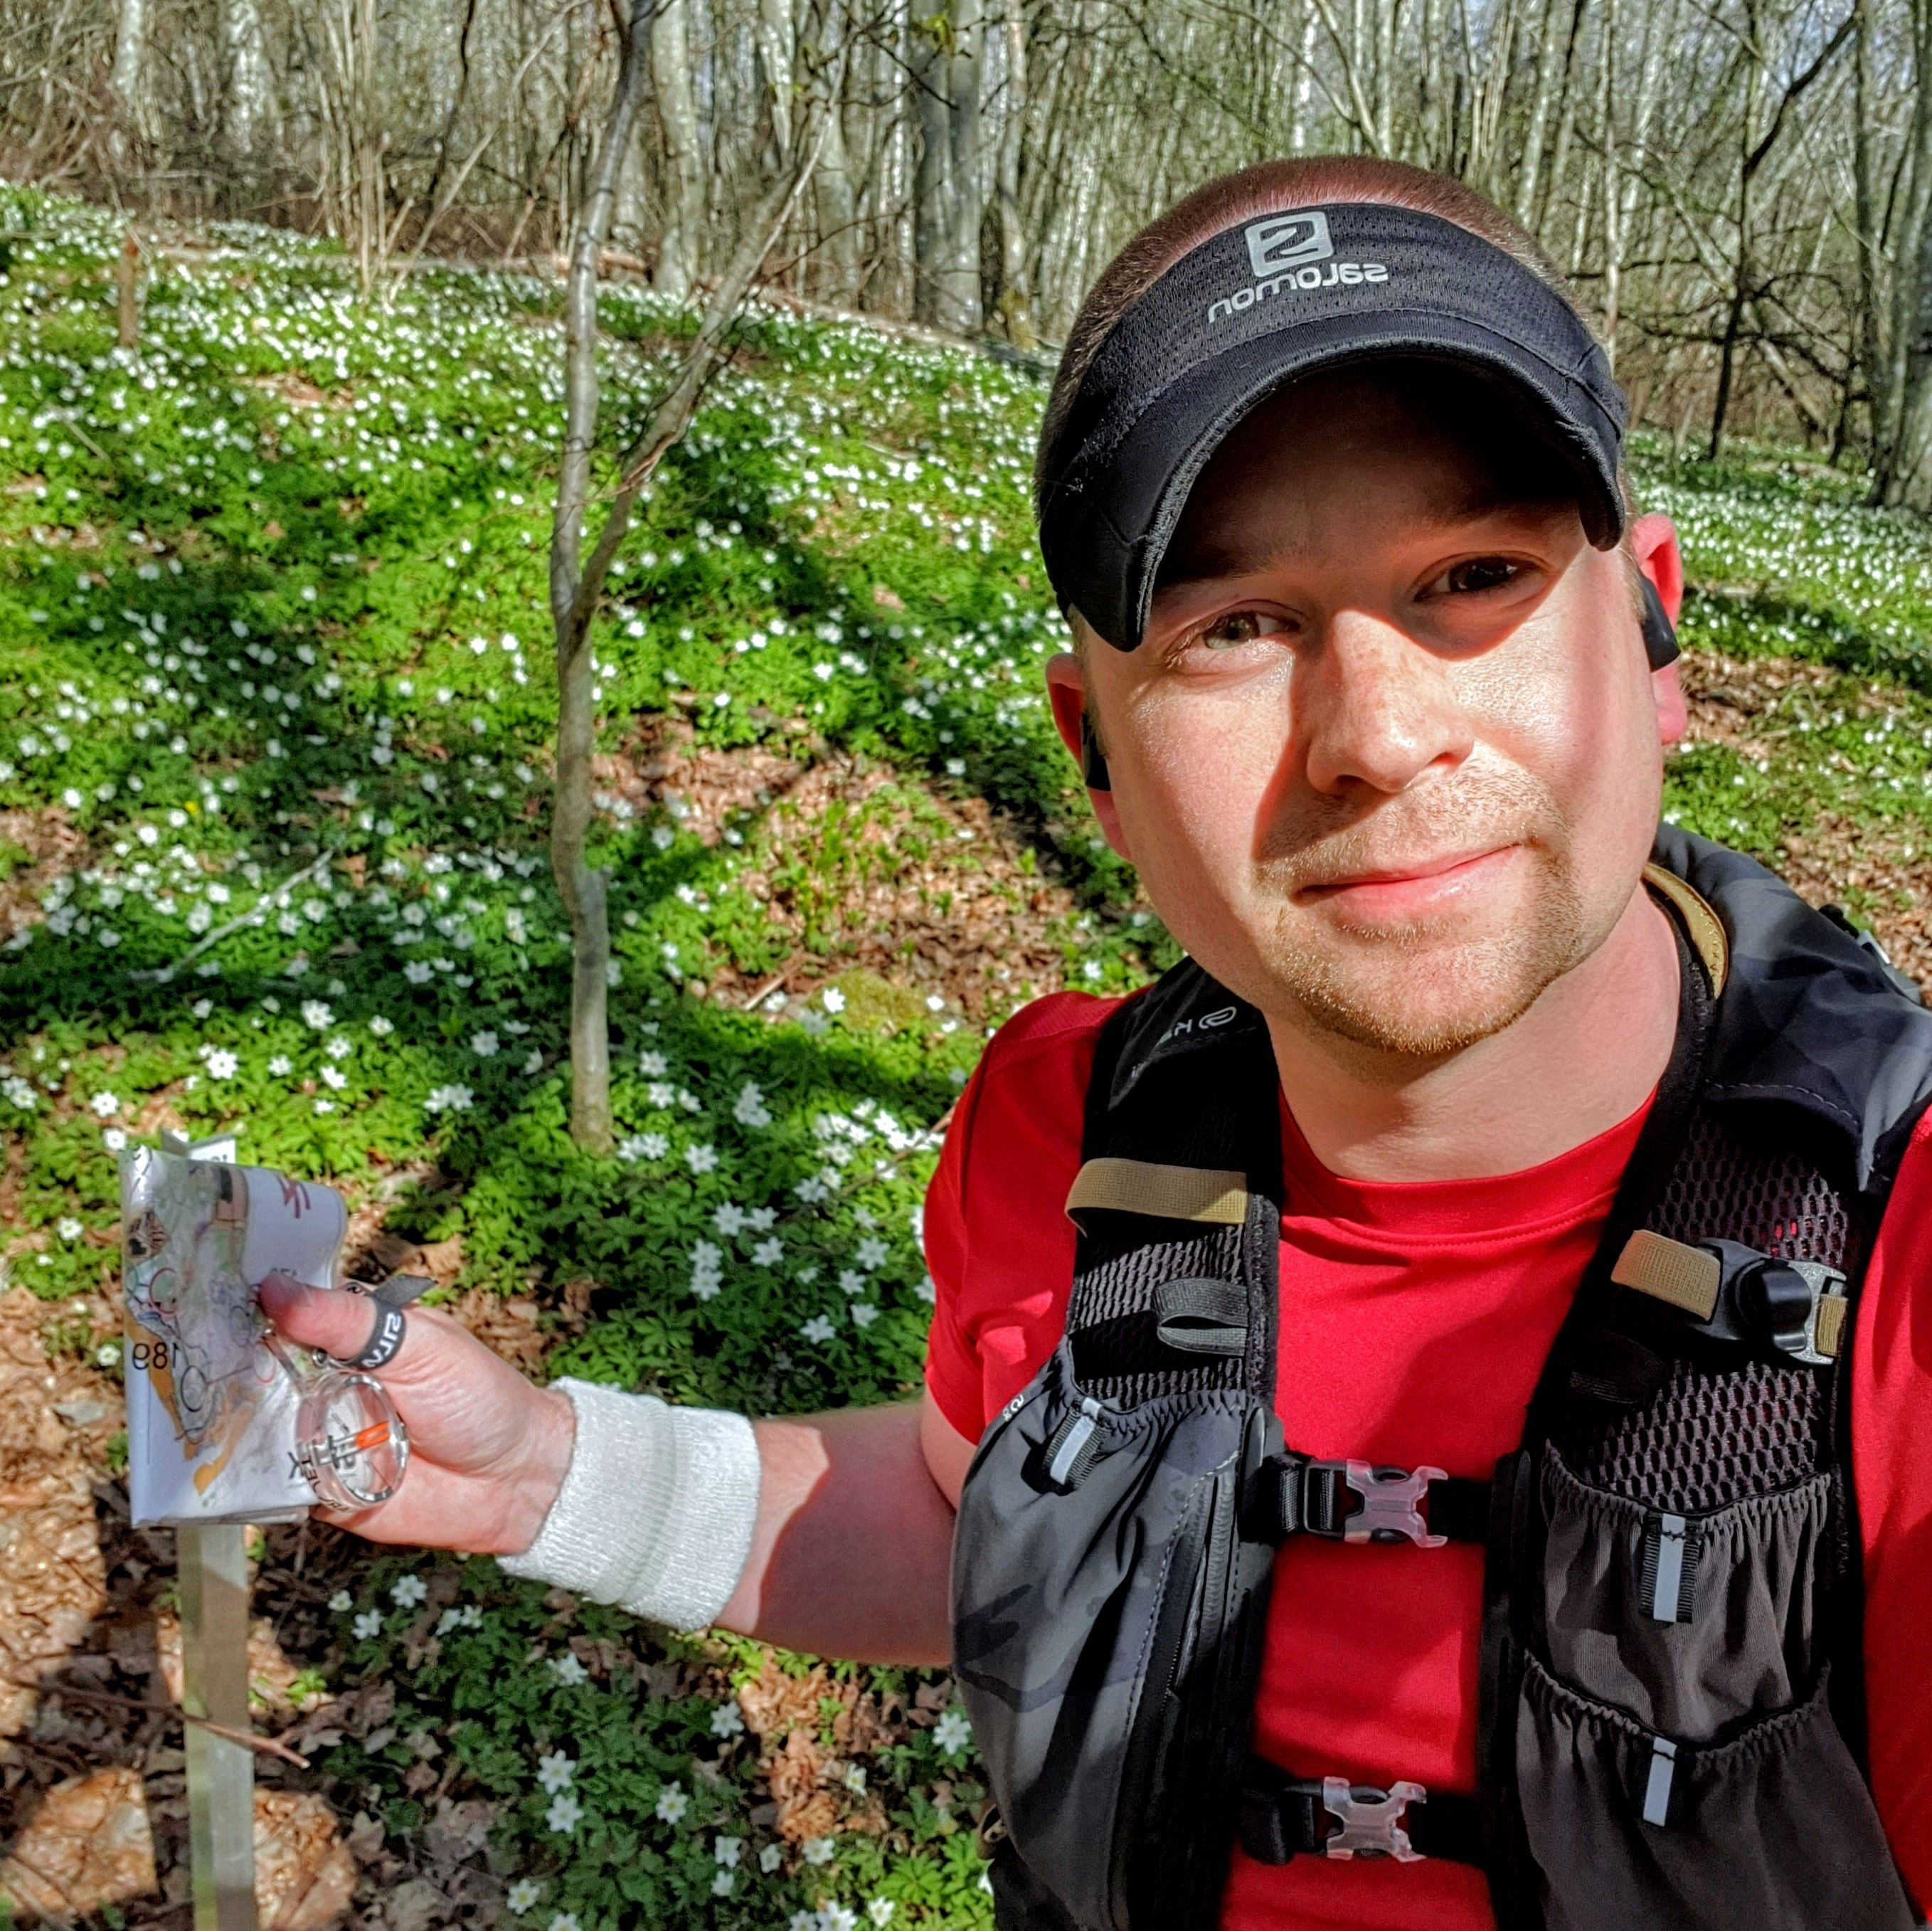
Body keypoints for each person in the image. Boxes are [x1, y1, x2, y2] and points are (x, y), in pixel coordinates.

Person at [261, 154, 1932, 1931]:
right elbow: (977, 1516)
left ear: (1654, 632)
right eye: (1235, 627)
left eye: (1471, 573)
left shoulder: (1892, 1237)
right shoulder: (1068, 1131)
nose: (1373, 734)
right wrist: (556, 1474)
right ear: (1095, 754)